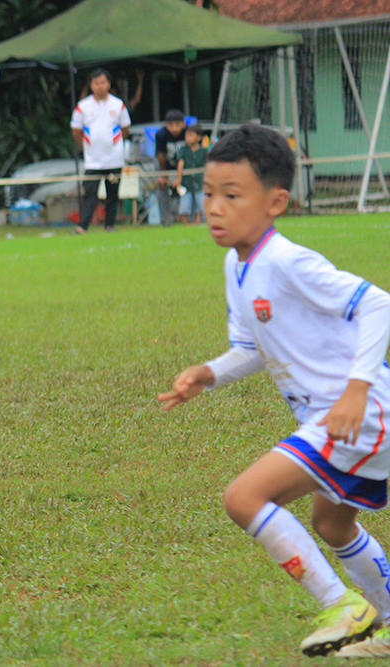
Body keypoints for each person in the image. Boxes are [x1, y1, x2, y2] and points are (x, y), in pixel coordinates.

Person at [158, 124, 390, 658]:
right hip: (343, 415)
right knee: (331, 523)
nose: (214, 208)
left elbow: (377, 303)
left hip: (359, 411)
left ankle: (342, 605)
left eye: (232, 195)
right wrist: (208, 373)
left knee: (244, 497)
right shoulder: (237, 264)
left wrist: (356, 390)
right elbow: (251, 348)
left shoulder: (287, 260)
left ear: (276, 202)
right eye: (209, 194)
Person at [70, 68, 131, 233]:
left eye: (103, 82)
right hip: (93, 161)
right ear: (91, 85)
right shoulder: (83, 106)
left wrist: (114, 144)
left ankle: (109, 225)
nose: (100, 86)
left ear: (108, 84)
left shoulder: (118, 104)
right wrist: (87, 148)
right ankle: (83, 226)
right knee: (90, 194)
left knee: (113, 194)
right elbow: (76, 130)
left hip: (114, 159)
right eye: (96, 83)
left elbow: (125, 128)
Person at [154, 109, 188, 225]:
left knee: (188, 188)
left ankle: (188, 217)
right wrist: (163, 175)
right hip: (164, 164)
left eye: (177, 125)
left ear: (183, 124)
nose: (175, 129)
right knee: (162, 188)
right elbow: (161, 156)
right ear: (166, 125)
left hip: (183, 166)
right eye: (171, 125)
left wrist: (180, 176)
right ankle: (166, 220)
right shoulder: (161, 135)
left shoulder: (188, 133)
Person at [172, 124, 208, 225]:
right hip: (186, 181)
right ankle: (186, 223)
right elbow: (180, 164)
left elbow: (207, 166)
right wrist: (179, 179)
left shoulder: (203, 151)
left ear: (199, 138)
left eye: (190, 135)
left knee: (200, 202)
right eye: (186, 135)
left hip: (199, 181)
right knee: (184, 204)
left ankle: (197, 222)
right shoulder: (183, 150)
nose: (187, 138)